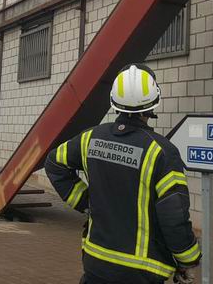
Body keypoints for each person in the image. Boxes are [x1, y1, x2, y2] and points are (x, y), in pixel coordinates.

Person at [45, 64, 201, 284]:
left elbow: (54, 163)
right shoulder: (161, 152)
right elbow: (173, 216)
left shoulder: (90, 138)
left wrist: (85, 201)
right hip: (141, 270)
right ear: (153, 102)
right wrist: (189, 258)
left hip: (95, 262)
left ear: (114, 101)